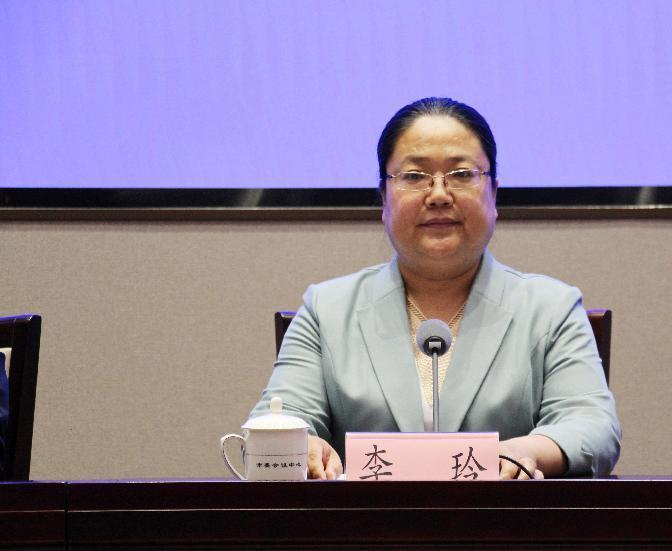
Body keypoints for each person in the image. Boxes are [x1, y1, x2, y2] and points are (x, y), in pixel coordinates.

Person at [250, 97, 621, 479]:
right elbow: (277, 418)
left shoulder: (550, 309)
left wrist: (523, 453)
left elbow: (592, 427)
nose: (439, 195)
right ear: (384, 198)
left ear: (494, 194)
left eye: (461, 174)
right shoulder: (327, 310)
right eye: (414, 176)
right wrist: (301, 445)